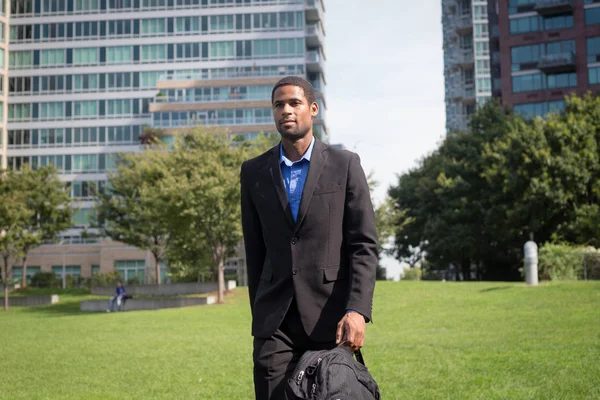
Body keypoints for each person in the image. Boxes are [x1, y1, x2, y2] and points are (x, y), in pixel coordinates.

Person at [240, 76, 378, 399]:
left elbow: (363, 245)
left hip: (330, 319)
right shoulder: (254, 173)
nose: (285, 110)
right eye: (278, 105)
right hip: (275, 325)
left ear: (313, 109)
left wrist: (357, 309)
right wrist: (260, 313)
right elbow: (254, 252)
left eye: (294, 103)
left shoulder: (345, 165)